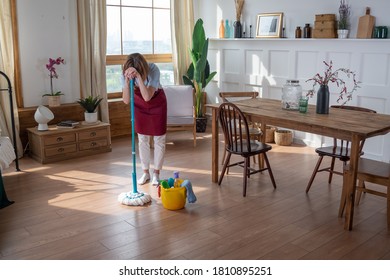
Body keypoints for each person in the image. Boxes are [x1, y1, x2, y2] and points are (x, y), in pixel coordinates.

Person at [122, 53, 167, 186]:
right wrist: (126, 80)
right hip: (139, 105)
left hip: (157, 102)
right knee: (143, 139)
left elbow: (147, 96)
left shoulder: (153, 69)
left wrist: (139, 77)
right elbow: (125, 100)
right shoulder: (125, 72)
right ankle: (146, 172)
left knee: (159, 139)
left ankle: (156, 174)